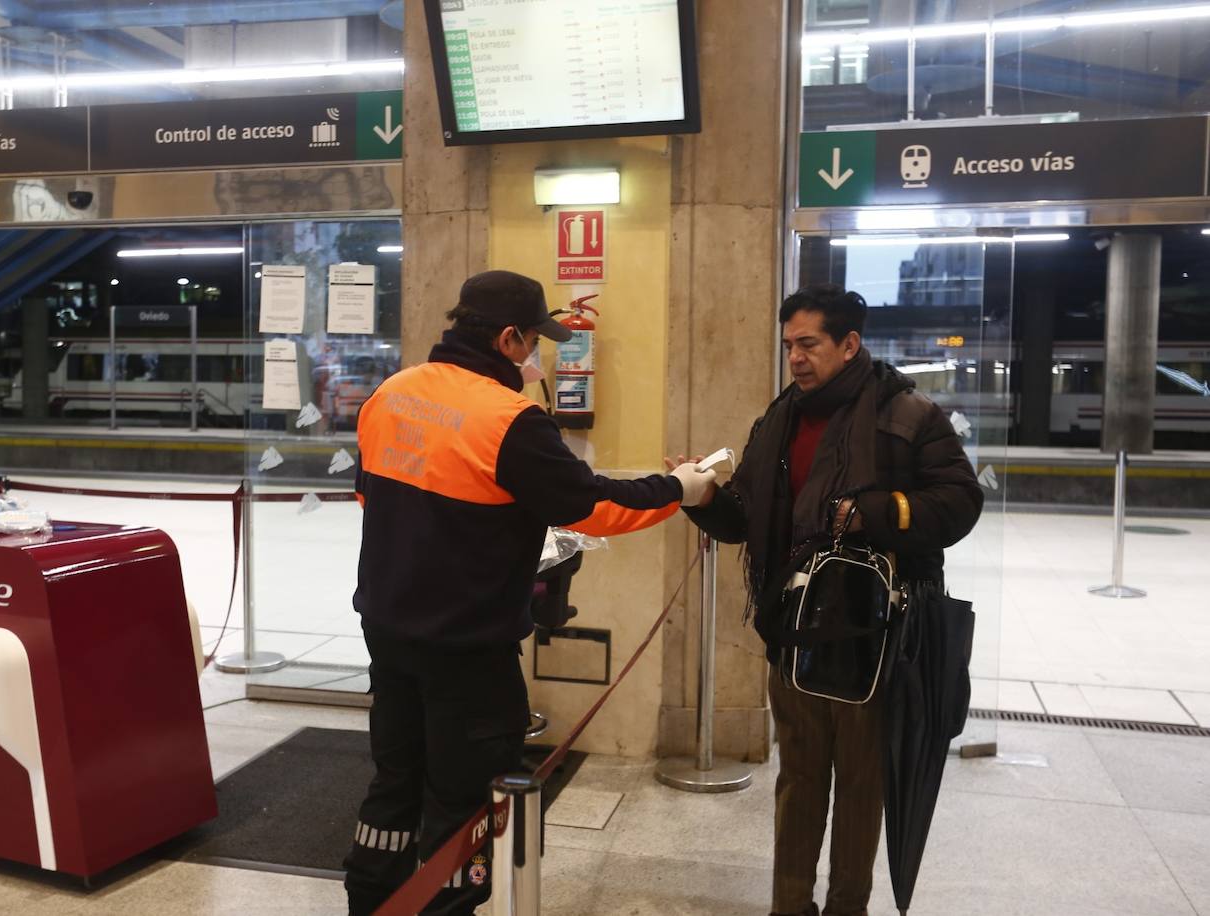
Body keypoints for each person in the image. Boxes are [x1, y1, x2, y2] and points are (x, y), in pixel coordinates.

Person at [344, 269, 715, 915]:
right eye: (532, 342)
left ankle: (370, 902)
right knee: (466, 802)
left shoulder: (392, 393)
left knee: (394, 783)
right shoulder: (507, 419)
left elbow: (367, 496)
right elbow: (595, 508)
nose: (537, 356)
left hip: (387, 629)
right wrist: (679, 490)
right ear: (508, 338)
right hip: (466, 650)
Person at [677, 283, 983, 916]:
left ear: (850, 344)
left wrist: (877, 512)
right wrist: (702, 495)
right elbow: (745, 517)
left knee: (863, 785)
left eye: (809, 343)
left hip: (875, 641)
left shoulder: (907, 416)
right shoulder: (780, 419)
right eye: (789, 344)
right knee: (799, 779)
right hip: (794, 633)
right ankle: (790, 906)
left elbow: (959, 501)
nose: (795, 357)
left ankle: (848, 905)